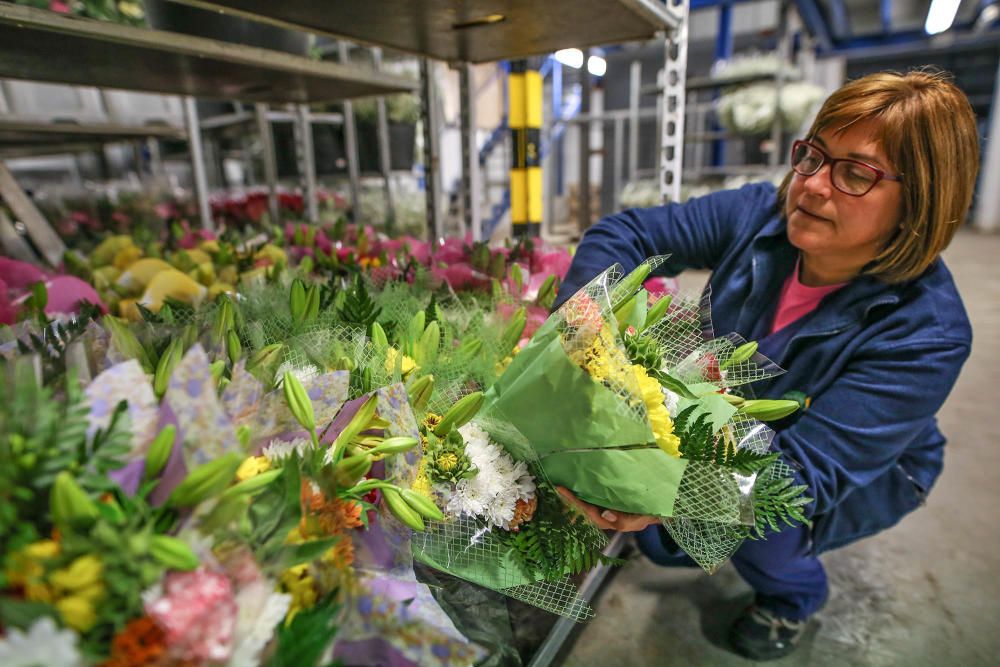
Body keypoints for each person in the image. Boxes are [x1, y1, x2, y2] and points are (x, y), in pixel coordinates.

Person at [554, 69, 980, 661]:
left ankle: (793, 599)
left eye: (855, 173)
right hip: (738, 421)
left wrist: (659, 494)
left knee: (766, 530)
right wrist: (582, 321)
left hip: (862, 468)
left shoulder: (925, 333)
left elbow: (797, 480)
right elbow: (626, 232)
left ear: (919, 203)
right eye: (812, 156)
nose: (813, 186)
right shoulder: (762, 214)